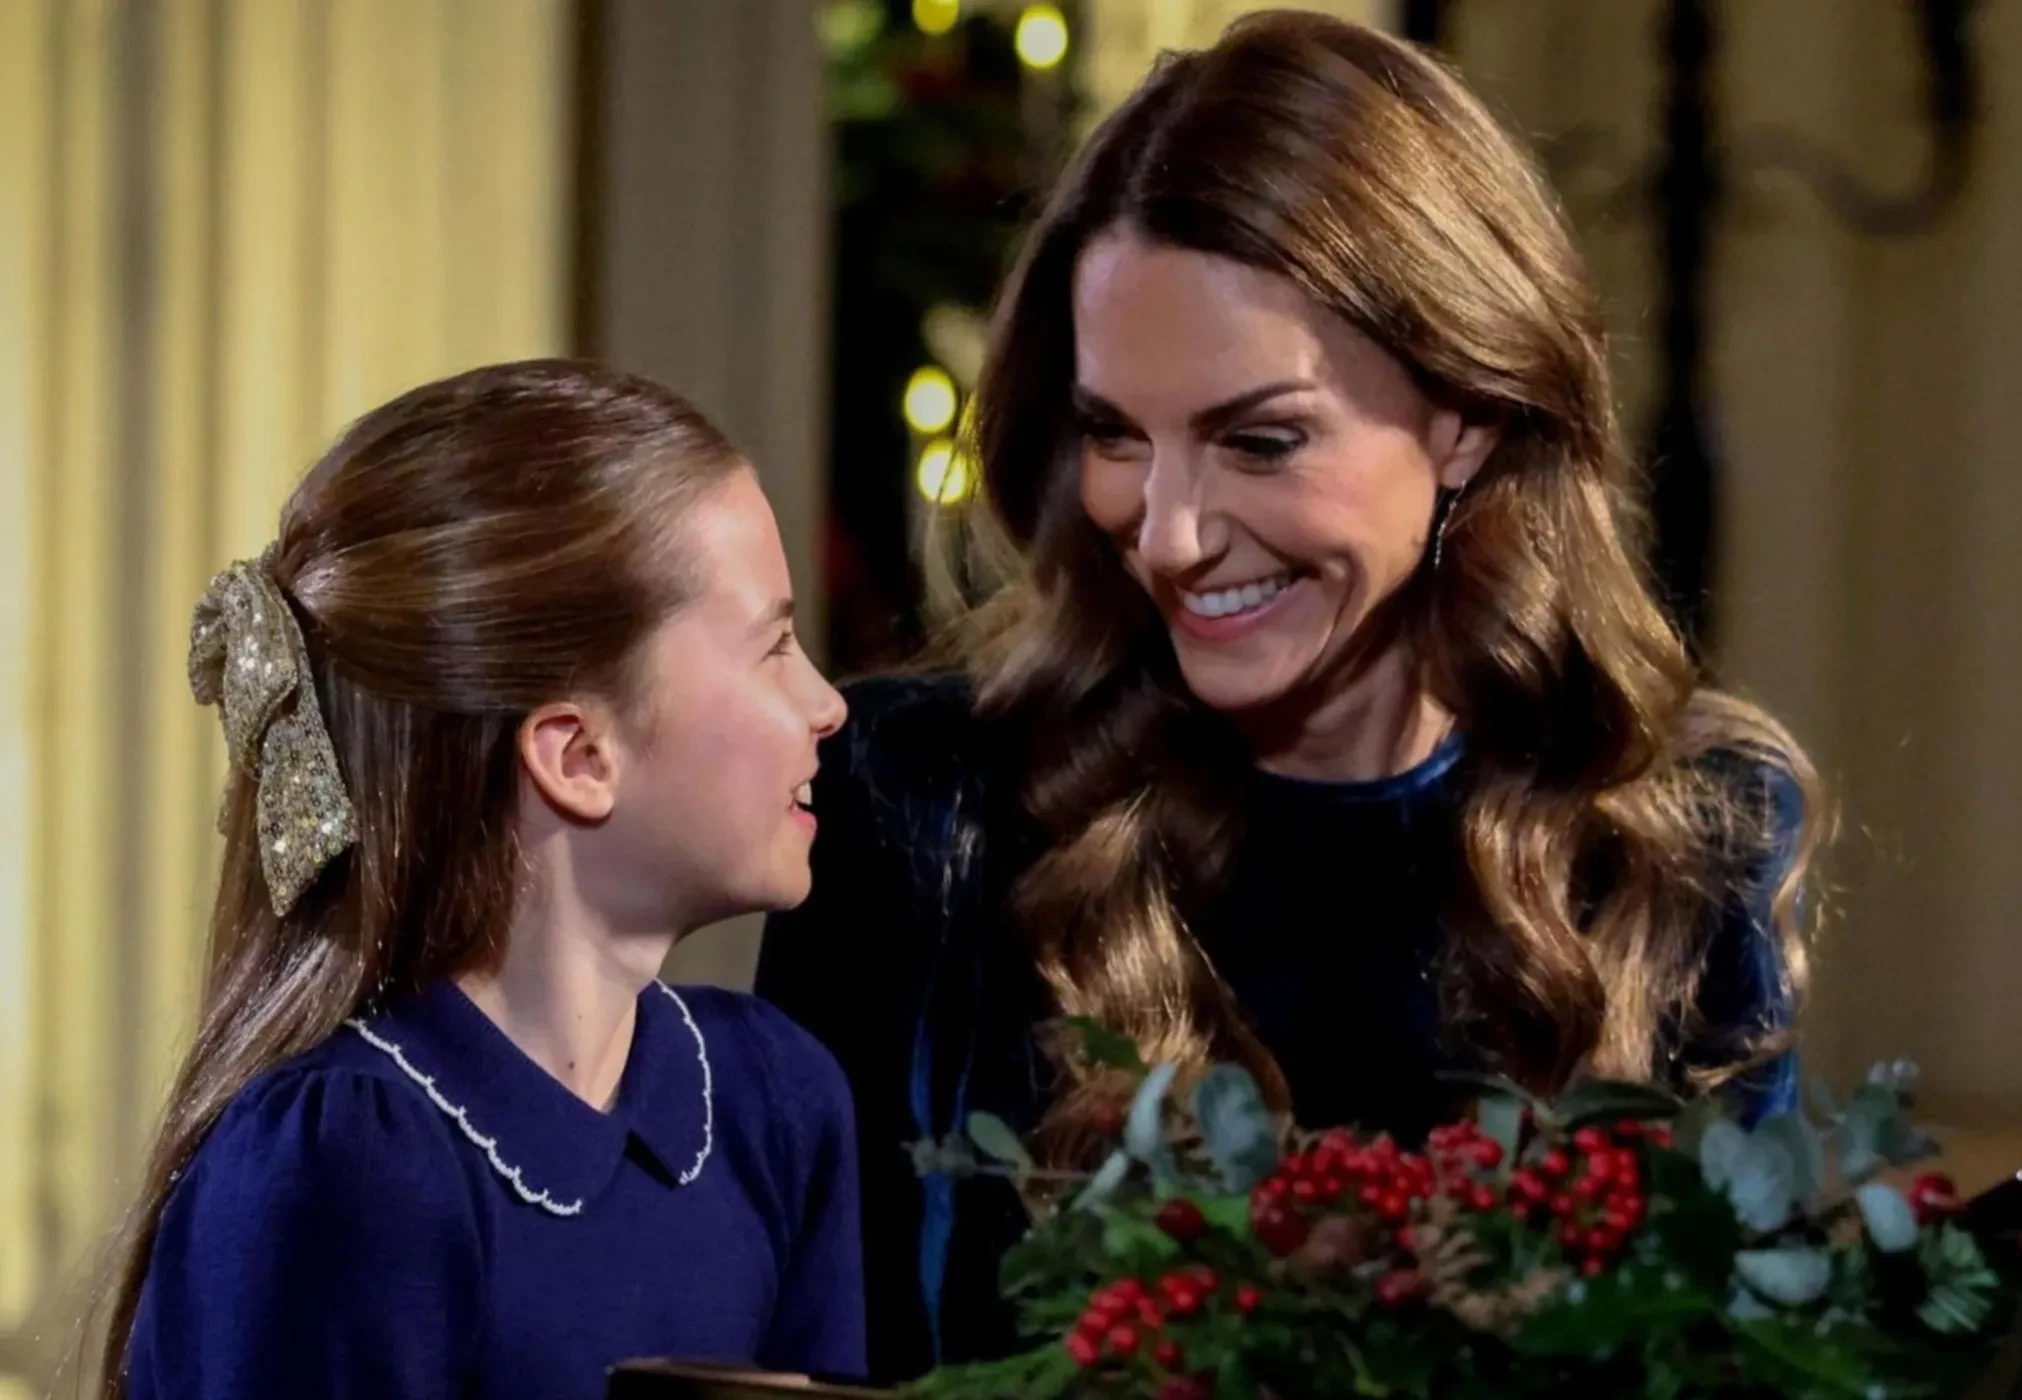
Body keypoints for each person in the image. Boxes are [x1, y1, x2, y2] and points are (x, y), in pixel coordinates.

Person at [757, 11, 1822, 1385]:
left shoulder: (1678, 838)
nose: (1169, 534)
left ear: (1467, 416)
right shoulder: (920, 805)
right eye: (1114, 433)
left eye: (1259, 440)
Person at [99, 361, 862, 1399]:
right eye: (773, 645)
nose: (827, 704)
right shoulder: (351, 1159)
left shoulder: (773, 1102)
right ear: (577, 755)